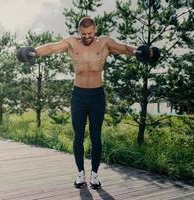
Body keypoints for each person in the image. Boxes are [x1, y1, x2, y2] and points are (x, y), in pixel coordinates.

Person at [17, 16, 160, 189]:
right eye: (84, 33)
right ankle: (80, 174)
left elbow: (124, 48)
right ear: (79, 31)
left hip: (97, 96)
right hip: (78, 96)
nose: (87, 36)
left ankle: (94, 175)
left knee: (95, 135)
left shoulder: (104, 43)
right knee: (78, 136)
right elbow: (51, 48)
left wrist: (143, 51)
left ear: (95, 30)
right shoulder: (71, 43)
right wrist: (33, 51)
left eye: (90, 33)